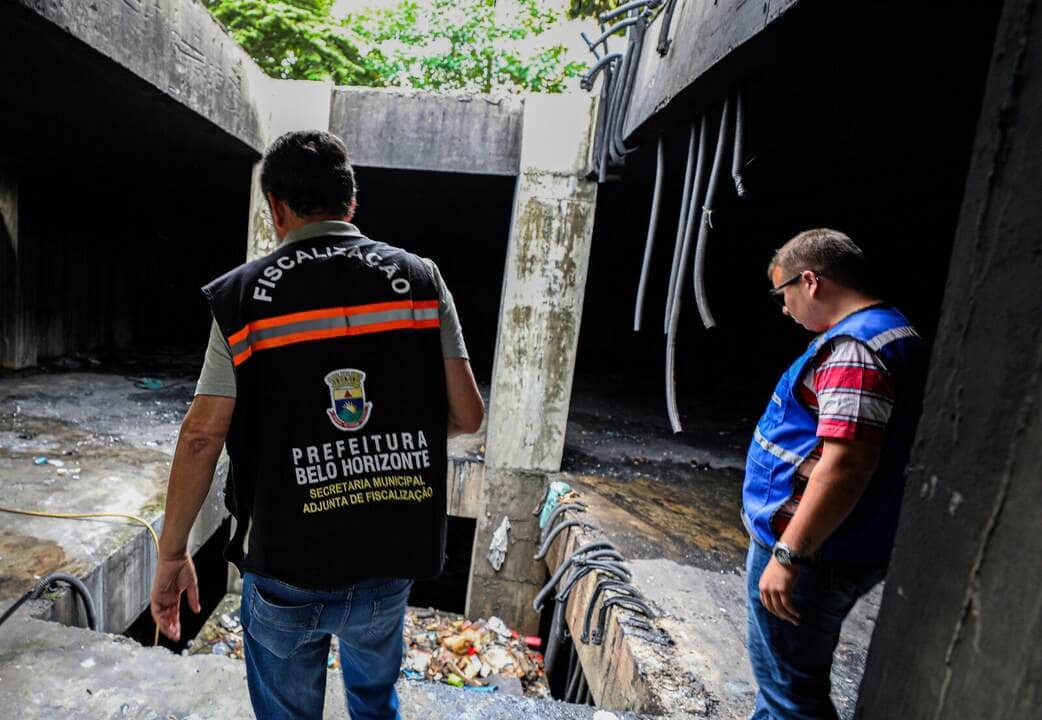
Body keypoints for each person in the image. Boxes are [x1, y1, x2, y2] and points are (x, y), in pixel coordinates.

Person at [149, 130, 484, 719]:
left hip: (285, 570)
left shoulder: (242, 297)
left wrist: (172, 555)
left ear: (275, 207)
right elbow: (466, 415)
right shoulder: (421, 280)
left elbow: (202, 436)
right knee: (375, 701)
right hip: (388, 560)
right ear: (350, 202)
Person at [743, 228, 927, 719]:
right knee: (780, 685)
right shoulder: (889, 329)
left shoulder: (854, 352)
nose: (784, 308)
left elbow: (845, 467)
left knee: (791, 697)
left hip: (813, 553)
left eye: (784, 294)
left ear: (811, 281)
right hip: (837, 544)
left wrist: (787, 553)